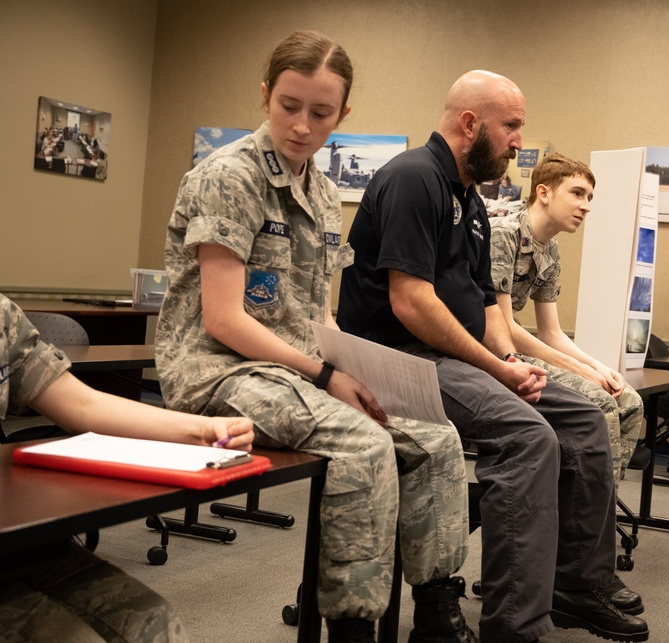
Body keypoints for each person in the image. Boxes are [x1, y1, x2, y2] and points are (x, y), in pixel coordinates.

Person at [153, 31, 475, 643]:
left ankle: (435, 609)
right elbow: (223, 322)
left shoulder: (323, 193)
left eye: (321, 113)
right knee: (364, 444)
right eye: (289, 106)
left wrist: (355, 366)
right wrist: (326, 376)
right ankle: (350, 626)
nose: (302, 126)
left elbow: (318, 316)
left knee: (436, 439)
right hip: (218, 371)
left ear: (343, 115)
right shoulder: (230, 177)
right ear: (266, 94)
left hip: (292, 370)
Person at [338, 70, 649, 643]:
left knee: (582, 418)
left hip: (452, 357)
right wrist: (496, 368)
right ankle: (514, 626)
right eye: (512, 126)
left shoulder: (473, 204)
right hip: (394, 358)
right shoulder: (414, 179)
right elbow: (410, 304)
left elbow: (487, 312)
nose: (518, 142)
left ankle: (578, 584)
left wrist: (513, 364)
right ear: (469, 123)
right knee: (528, 437)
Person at [0, 293, 255, 643]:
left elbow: (82, 404)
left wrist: (201, 429)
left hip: (16, 544)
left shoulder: (2, 317)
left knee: (156, 624)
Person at [489, 153, 643, 482]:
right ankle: (588, 516)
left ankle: (600, 505)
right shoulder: (504, 233)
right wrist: (582, 371)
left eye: (589, 197)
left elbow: (551, 332)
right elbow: (501, 327)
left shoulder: (551, 248)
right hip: (488, 348)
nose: (586, 205)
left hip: (513, 345)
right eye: (577, 193)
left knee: (629, 401)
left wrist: (600, 368)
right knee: (600, 403)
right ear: (543, 193)